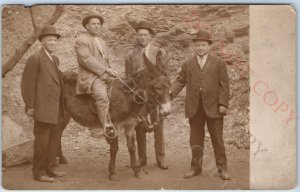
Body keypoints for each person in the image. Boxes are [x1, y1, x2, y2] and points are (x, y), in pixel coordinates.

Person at [171, 29, 231, 180]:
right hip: (194, 107)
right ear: (195, 46)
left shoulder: (219, 63)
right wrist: (170, 94)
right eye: (198, 45)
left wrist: (223, 103)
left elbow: (225, 85)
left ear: (208, 46)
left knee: (217, 139)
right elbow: (180, 80)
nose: (200, 48)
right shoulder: (188, 63)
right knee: (195, 140)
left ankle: (222, 169)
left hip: (214, 107)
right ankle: (195, 168)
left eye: (203, 45)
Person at [21, 25, 66, 183]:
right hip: (42, 108)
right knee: (42, 141)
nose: (53, 43)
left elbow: (57, 80)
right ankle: (38, 173)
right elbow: (27, 84)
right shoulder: (35, 58)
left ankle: (49, 169)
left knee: (54, 140)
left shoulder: (54, 59)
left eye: (55, 40)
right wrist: (30, 106)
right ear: (42, 42)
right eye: (49, 40)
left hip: (55, 108)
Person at [125, 21, 169, 170]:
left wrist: (165, 98)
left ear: (151, 36)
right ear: (137, 37)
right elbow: (128, 79)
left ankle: (161, 158)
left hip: (155, 97)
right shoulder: (130, 55)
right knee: (140, 127)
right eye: (140, 35)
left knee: (158, 127)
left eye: (145, 35)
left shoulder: (159, 52)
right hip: (139, 97)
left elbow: (165, 75)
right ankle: (142, 159)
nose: (142, 37)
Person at [75, 14, 117, 138]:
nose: (97, 26)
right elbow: (87, 61)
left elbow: (106, 59)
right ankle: (106, 126)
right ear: (87, 26)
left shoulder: (102, 41)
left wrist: (111, 70)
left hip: (104, 75)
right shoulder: (81, 40)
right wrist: (106, 70)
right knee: (102, 97)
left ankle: (118, 120)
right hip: (91, 77)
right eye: (94, 24)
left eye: (98, 24)